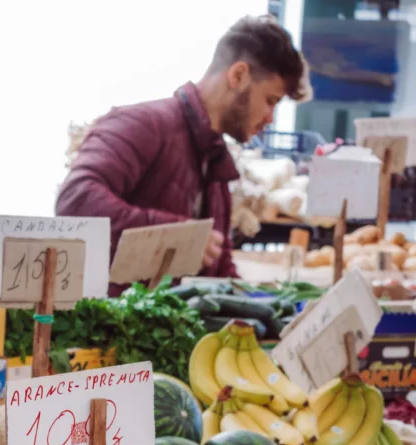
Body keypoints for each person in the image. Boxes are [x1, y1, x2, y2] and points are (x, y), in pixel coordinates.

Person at [56, 16, 308, 293]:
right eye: (270, 101)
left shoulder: (216, 164)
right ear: (238, 75)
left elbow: (220, 270)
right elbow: (75, 202)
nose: (270, 118)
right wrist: (176, 239)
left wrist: (261, 305)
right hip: (107, 331)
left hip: (160, 332)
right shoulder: (142, 124)